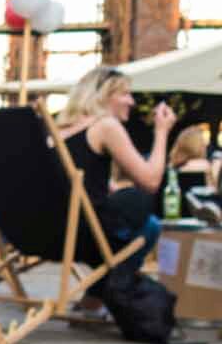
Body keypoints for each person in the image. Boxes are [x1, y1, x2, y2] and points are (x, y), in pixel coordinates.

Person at [55, 66, 176, 298]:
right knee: (148, 223)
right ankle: (107, 296)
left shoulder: (59, 132)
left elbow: (80, 183)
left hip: (49, 231)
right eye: (125, 93)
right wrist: (161, 132)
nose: (131, 101)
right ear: (103, 96)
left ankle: (94, 298)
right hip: (83, 236)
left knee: (126, 204)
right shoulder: (105, 125)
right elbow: (151, 181)